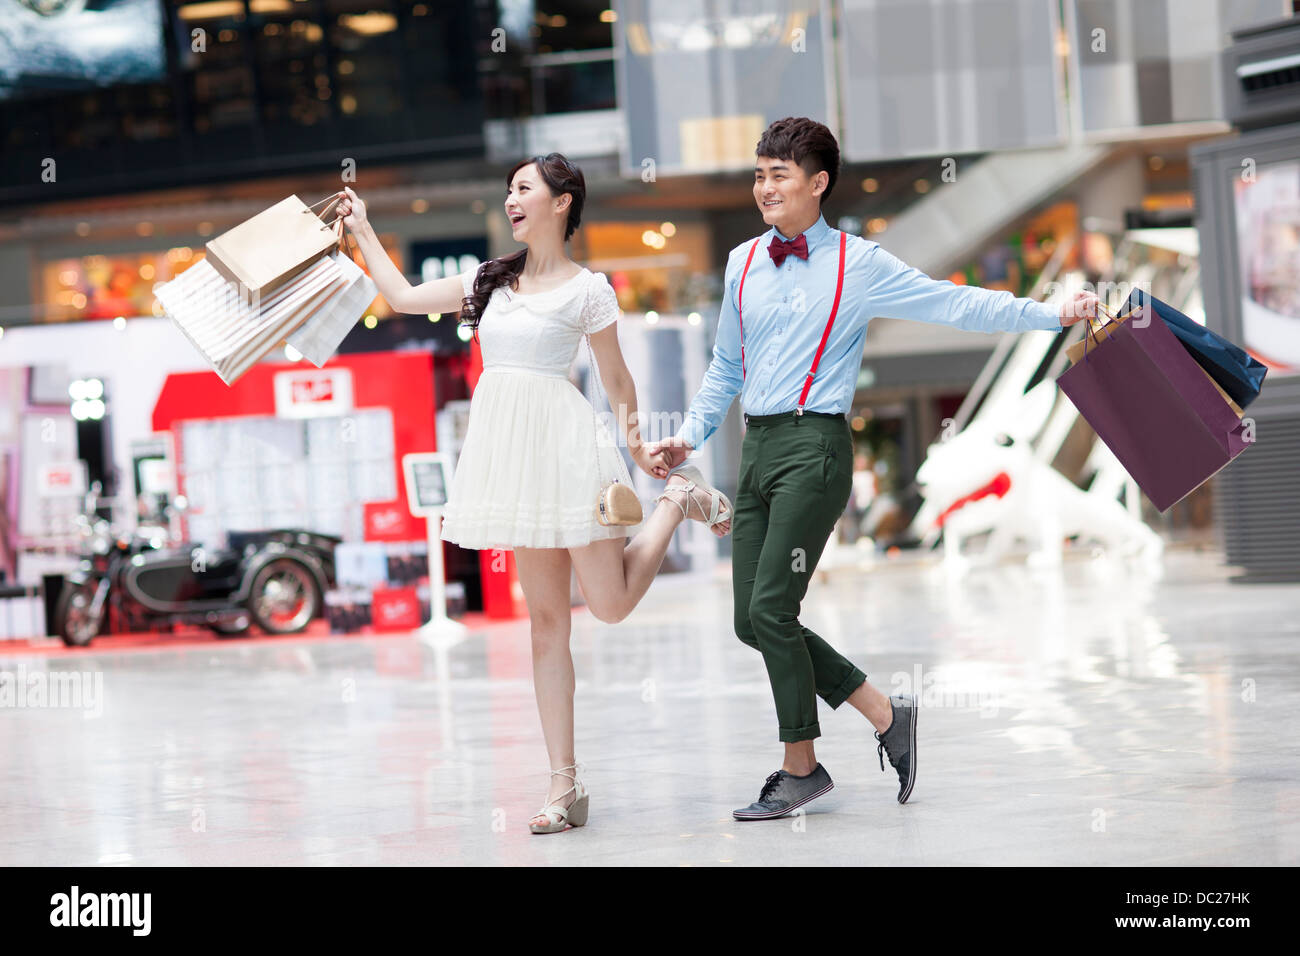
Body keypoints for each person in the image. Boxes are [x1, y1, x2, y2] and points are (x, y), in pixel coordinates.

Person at [647, 117, 1096, 819]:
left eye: (779, 174)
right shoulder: (740, 264)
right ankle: (887, 713)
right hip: (758, 449)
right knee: (749, 620)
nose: (764, 186)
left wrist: (1047, 313)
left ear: (818, 183)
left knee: (772, 608)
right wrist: (688, 438)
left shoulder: (860, 263)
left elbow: (954, 303)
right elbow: (725, 368)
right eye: (759, 173)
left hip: (815, 451)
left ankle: (802, 768)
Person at [333, 154, 733, 834]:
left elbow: (618, 383)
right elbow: (400, 297)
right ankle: (563, 787)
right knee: (545, 624)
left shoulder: (590, 291)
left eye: (524, 189)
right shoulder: (491, 280)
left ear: (562, 202)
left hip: (569, 450)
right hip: (513, 458)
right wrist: (363, 230)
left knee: (606, 606)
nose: (512, 201)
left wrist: (642, 457)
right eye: (508, 191)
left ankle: (676, 504)